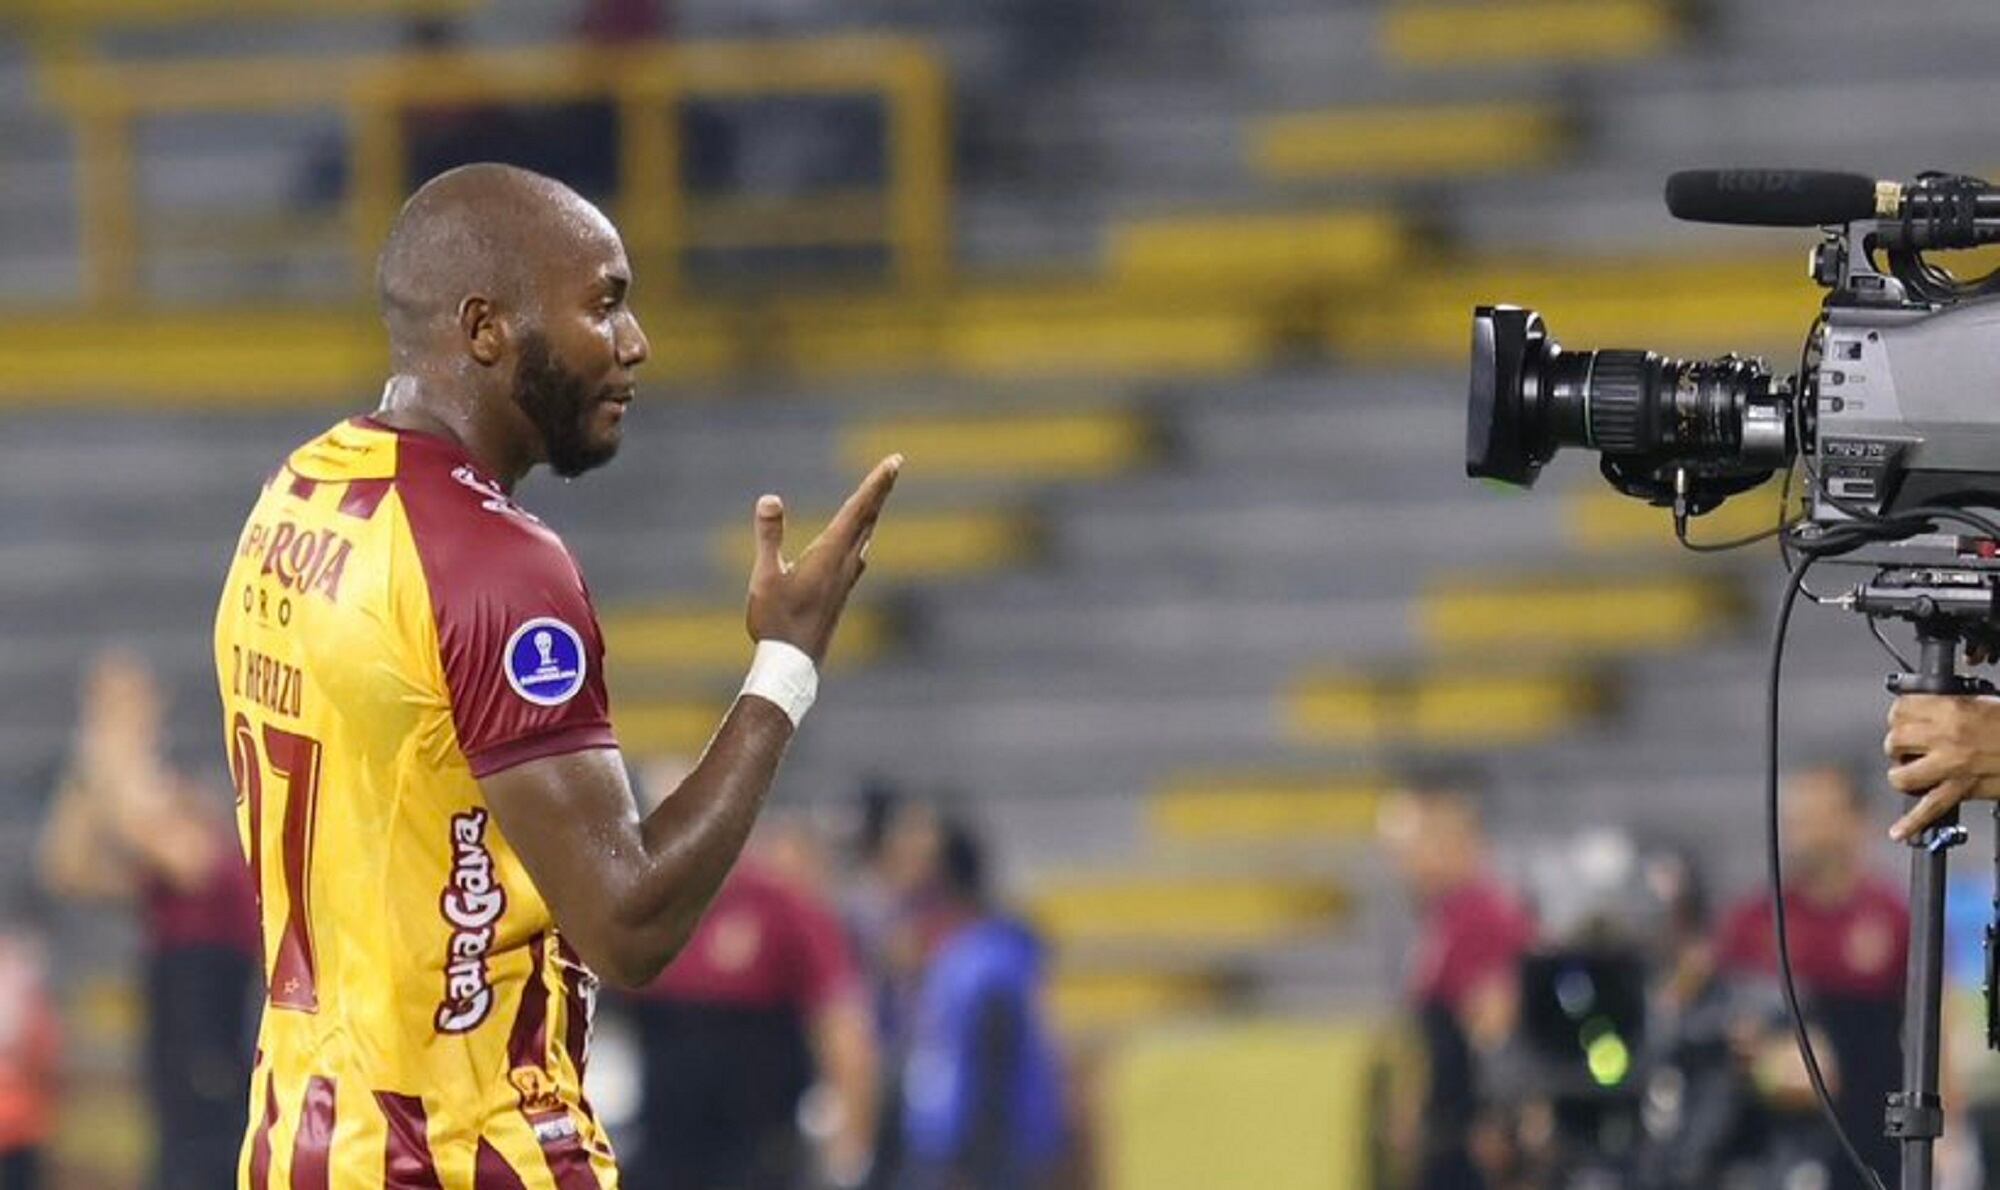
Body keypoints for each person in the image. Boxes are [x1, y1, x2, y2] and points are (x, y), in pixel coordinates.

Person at [210, 162, 900, 1183]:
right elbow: (626, 921)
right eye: (604, 304)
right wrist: (785, 662)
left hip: (296, 1144)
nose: (634, 343)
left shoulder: (296, 496)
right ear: (486, 329)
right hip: (465, 1152)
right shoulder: (495, 564)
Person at [38, 649, 258, 1190]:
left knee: (208, 1149)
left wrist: (112, 752)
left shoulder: (188, 791)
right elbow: (66, 868)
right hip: (174, 1026)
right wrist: (91, 769)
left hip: (218, 1028)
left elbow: (180, 856)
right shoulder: (125, 790)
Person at [622, 819, 878, 1190]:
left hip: (757, 1156)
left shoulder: (781, 909)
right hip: (663, 1153)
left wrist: (849, 1159)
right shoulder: (644, 910)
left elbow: (843, 1031)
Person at [1710, 763, 1907, 1190]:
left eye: (1819, 815)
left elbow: (1933, 1025)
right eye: (1796, 816)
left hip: (1872, 1136)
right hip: (1775, 1144)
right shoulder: (1755, 921)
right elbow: (1727, 1022)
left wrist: (1951, 1131)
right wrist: (1765, 1057)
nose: (1802, 829)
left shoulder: (1892, 917)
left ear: (1856, 822)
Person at [1377, 763, 1535, 1190]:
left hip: (1469, 1138)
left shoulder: (1481, 918)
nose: (1399, 861)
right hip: (1449, 1131)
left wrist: (1497, 1119)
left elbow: (1500, 1028)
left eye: (1407, 846)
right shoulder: (1446, 918)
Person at [898, 817, 1065, 1190]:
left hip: (978, 1152)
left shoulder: (987, 959)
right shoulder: (957, 951)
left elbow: (996, 1066)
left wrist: (979, 1162)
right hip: (945, 1144)